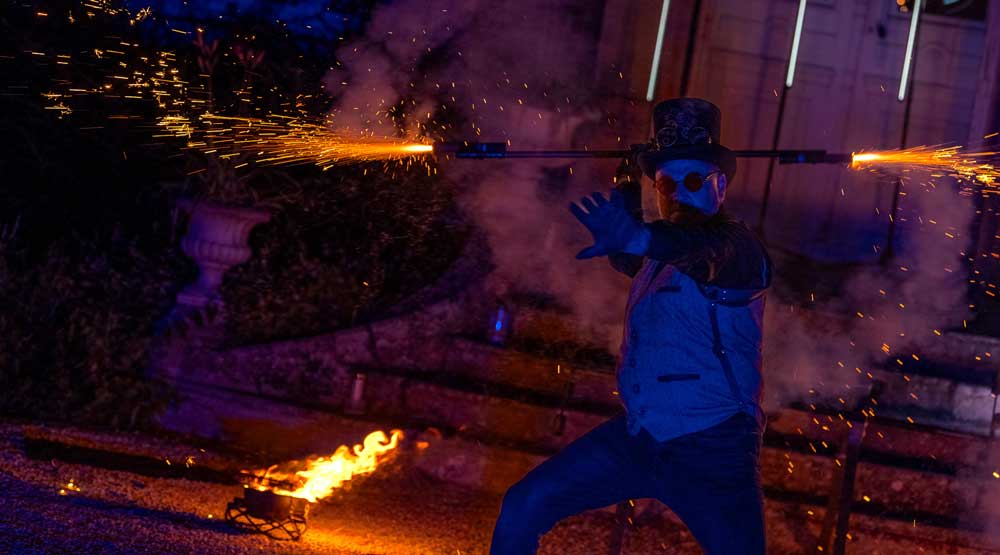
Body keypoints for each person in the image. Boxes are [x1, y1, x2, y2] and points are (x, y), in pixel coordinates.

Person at [490, 98, 772, 555]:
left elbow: (694, 251)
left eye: (694, 180)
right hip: (639, 437)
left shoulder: (738, 249)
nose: (678, 192)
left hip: (712, 450)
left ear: (718, 187)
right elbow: (635, 247)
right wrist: (626, 179)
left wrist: (638, 235)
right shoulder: (654, 255)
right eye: (665, 182)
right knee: (524, 504)